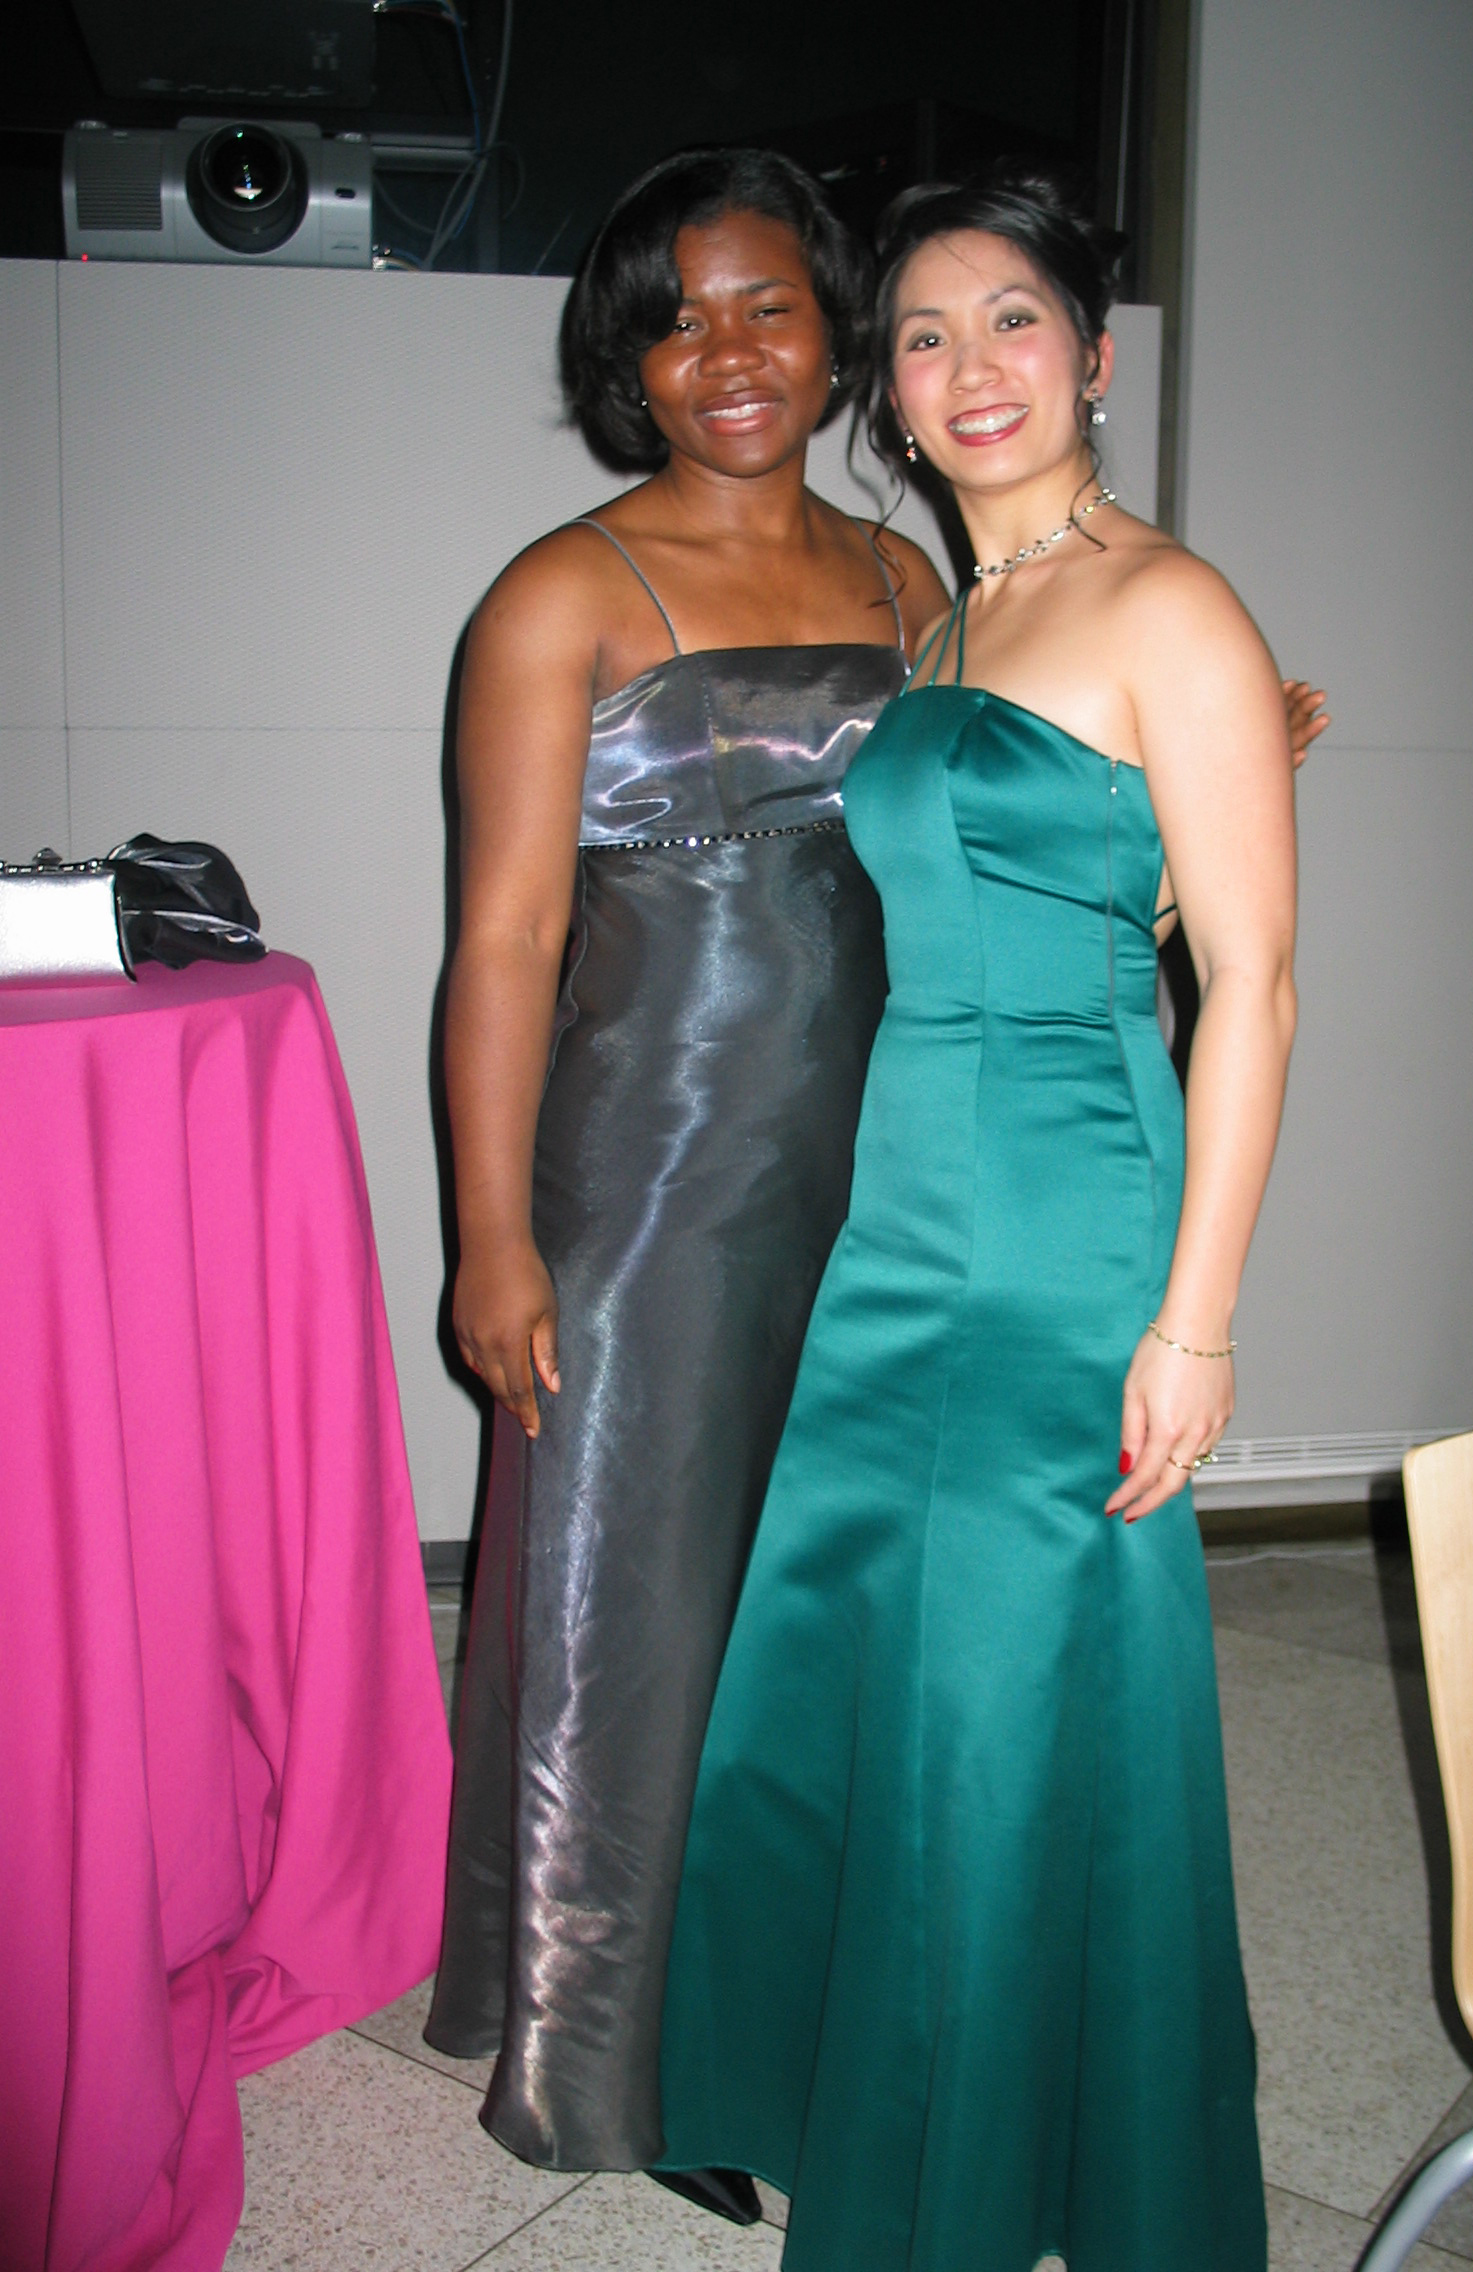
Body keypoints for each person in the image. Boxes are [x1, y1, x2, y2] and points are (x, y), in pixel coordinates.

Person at [658, 163, 1297, 2270]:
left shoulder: (1171, 604)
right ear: (895, 395)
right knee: (876, 1669)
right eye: (925, 336)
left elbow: (1255, 984)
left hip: (1062, 1219)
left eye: (1012, 317)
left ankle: (1004, 2171)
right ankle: (915, 2118)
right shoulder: (952, 617)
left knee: (1002, 1705)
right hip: (907, 1210)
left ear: (1094, 356)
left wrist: (1194, 1319)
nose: (971, 365)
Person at [425, 148, 948, 2217]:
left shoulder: (915, 587)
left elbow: (999, 852)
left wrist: (1214, 765)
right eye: (674, 318)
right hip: (646, 1194)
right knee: (641, 1615)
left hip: (883, 1167)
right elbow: (503, 940)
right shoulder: (559, 594)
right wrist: (490, 1232)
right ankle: (630, 2060)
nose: (725, 355)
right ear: (624, 357)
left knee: (838, 1605)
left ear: (837, 330)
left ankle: (818, 2003)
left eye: (767, 308)